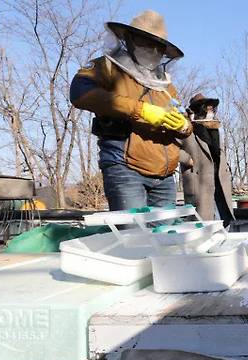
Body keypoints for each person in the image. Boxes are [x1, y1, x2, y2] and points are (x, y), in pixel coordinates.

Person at [70, 10, 191, 210]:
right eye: (146, 42)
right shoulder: (107, 67)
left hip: (166, 176)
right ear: (130, 39)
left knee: (166, 238)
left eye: (157, 46)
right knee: (134, 236)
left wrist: (184, 126)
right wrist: (141, 110)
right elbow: (80, 92)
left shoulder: (165, 84)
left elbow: (183, 118)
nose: (152, 50)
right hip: (126, 169)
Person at [180, 94, 235, 224]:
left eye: (212, 108)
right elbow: (172, 148)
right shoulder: (185, 126)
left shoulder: (214, 128)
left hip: (219, 180)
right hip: (199, 181)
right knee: (204, 223)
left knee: (224, 220)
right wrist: (187, 159)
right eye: (207, 108)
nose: (210, 111)